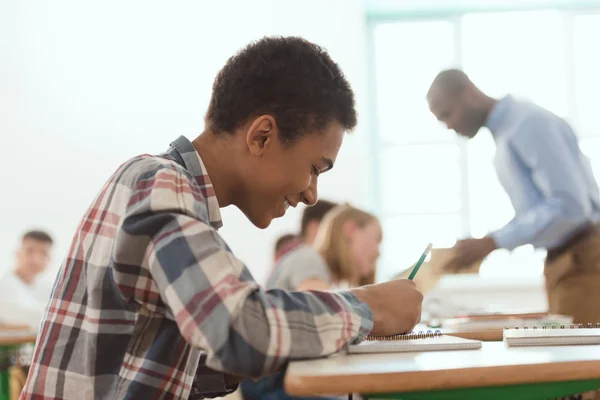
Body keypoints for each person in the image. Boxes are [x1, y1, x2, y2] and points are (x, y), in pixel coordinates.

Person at [21, 36, 423, 400]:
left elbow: (155, 362)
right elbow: (240, 329)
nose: (311, 194)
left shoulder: (171, 191)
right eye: (315, 168)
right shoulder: (160, 184)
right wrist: (369, 308)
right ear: (261, 135)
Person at [426, 68, 600, 324]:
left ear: (468, 93)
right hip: (566, 260)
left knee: (580, 360)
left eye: (447, 114)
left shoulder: (527, 124)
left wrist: (493, 241)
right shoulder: (508, 132)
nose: (449, 126)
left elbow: (571, 206)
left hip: (583, 257)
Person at [242, 204, 382, 400]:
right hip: (271, 385)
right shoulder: (309, 258)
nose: (378, 252)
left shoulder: (313, 262)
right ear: (351, 230)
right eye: (377, 239)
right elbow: (324, 320)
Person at [0, 230, 54, 328]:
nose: (36, 260)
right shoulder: (4, 286)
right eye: (30, 251)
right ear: (17, 253)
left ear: (50, 258)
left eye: (43, 253)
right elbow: (24, 318)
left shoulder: (47, 286)